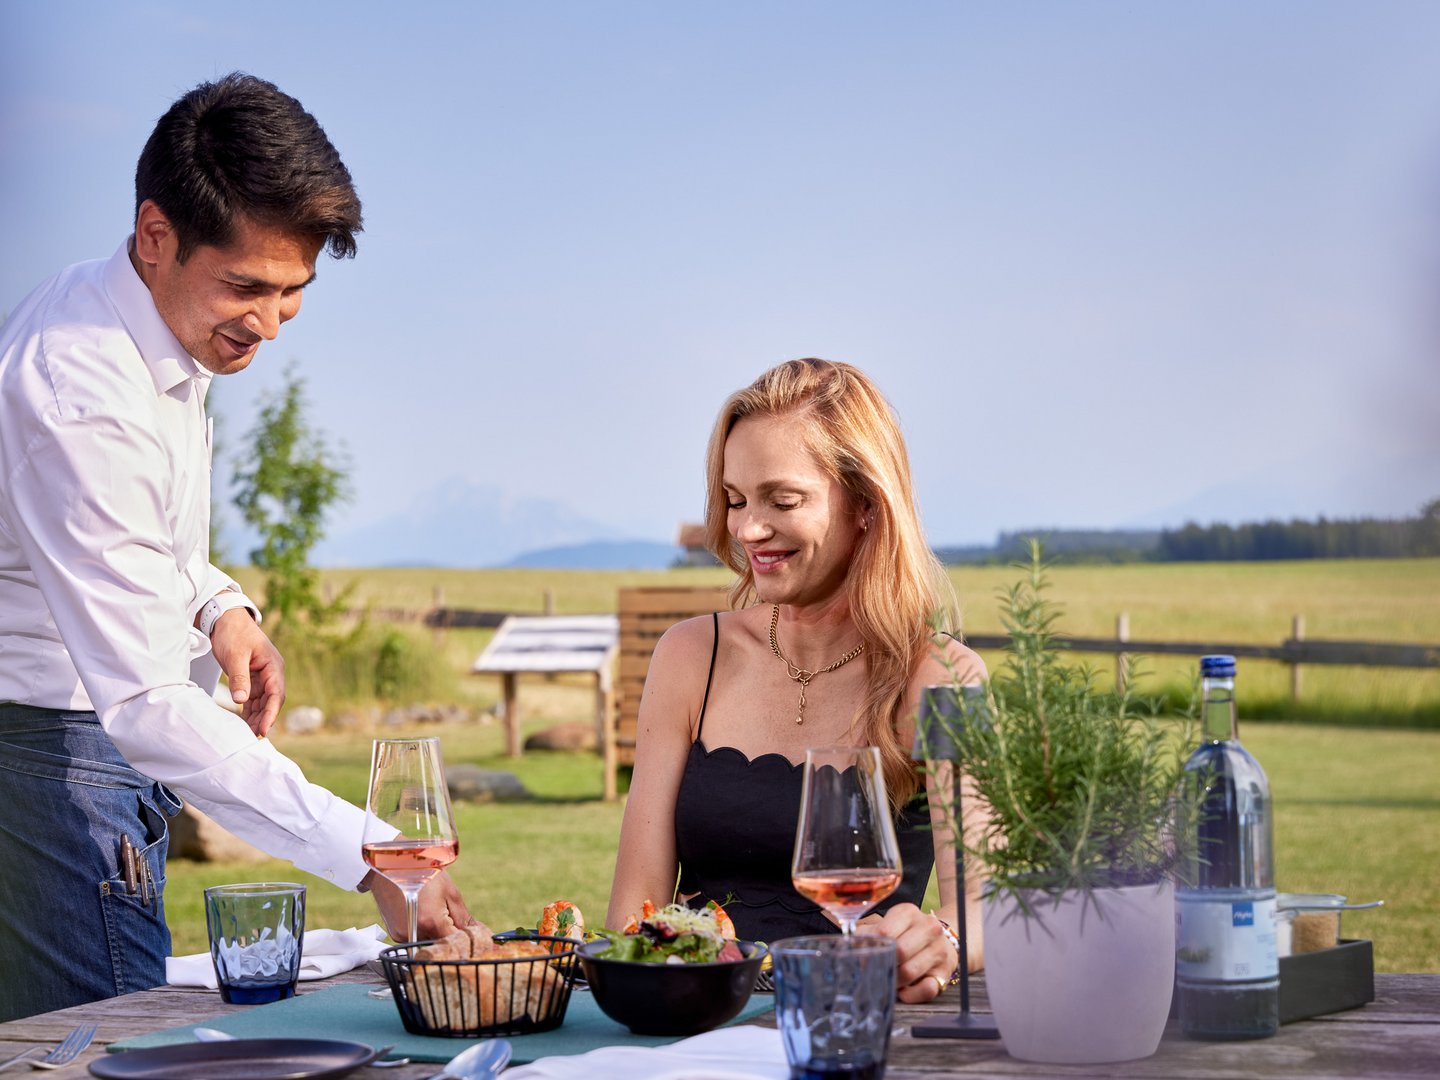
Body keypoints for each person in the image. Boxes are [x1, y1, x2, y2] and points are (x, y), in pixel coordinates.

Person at [0, 73, 474, 1022]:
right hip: (54, 750)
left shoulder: (142, 316)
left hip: (84, 737)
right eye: (246, 287)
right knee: (110, 1045)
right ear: (155, 236)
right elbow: (145, 702)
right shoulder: (82, 391)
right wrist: (372, 855)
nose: (266, 323)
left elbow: (138, 531)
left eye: (293, 291)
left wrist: (218, 605)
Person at [607, 358, 986, 1003]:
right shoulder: (689, 657)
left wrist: (940, 942)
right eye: (734, 500)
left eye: (783, 501)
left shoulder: (942, 676)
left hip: (851, 1020)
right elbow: (631, 918)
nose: (748, 529)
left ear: (866, 504)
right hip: (697, 1025)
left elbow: (984, 905)